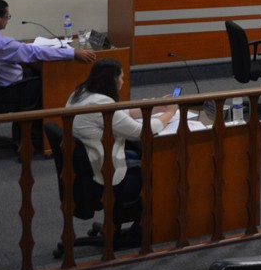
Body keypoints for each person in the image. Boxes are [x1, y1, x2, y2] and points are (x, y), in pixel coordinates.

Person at [66, 59, 178, 221]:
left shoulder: (81, 93)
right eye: (122, 77)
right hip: (104, 173)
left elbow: (119, 114)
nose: (123, 82)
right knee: (160, 173)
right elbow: (141, 132)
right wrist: (169, 114)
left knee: (139, 156)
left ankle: (125, 225)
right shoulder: (101, 103)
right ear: (113, 79)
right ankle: (140, 229)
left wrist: (155, 108)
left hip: (88, 164)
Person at [0, 0, 97, 112]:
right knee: (50, 81)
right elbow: (36, 52)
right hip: (11, 89)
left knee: (33, 72)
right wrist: (73, 53)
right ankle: (35, 133)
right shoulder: (3, 44)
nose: (8, 19)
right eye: (7, 16)